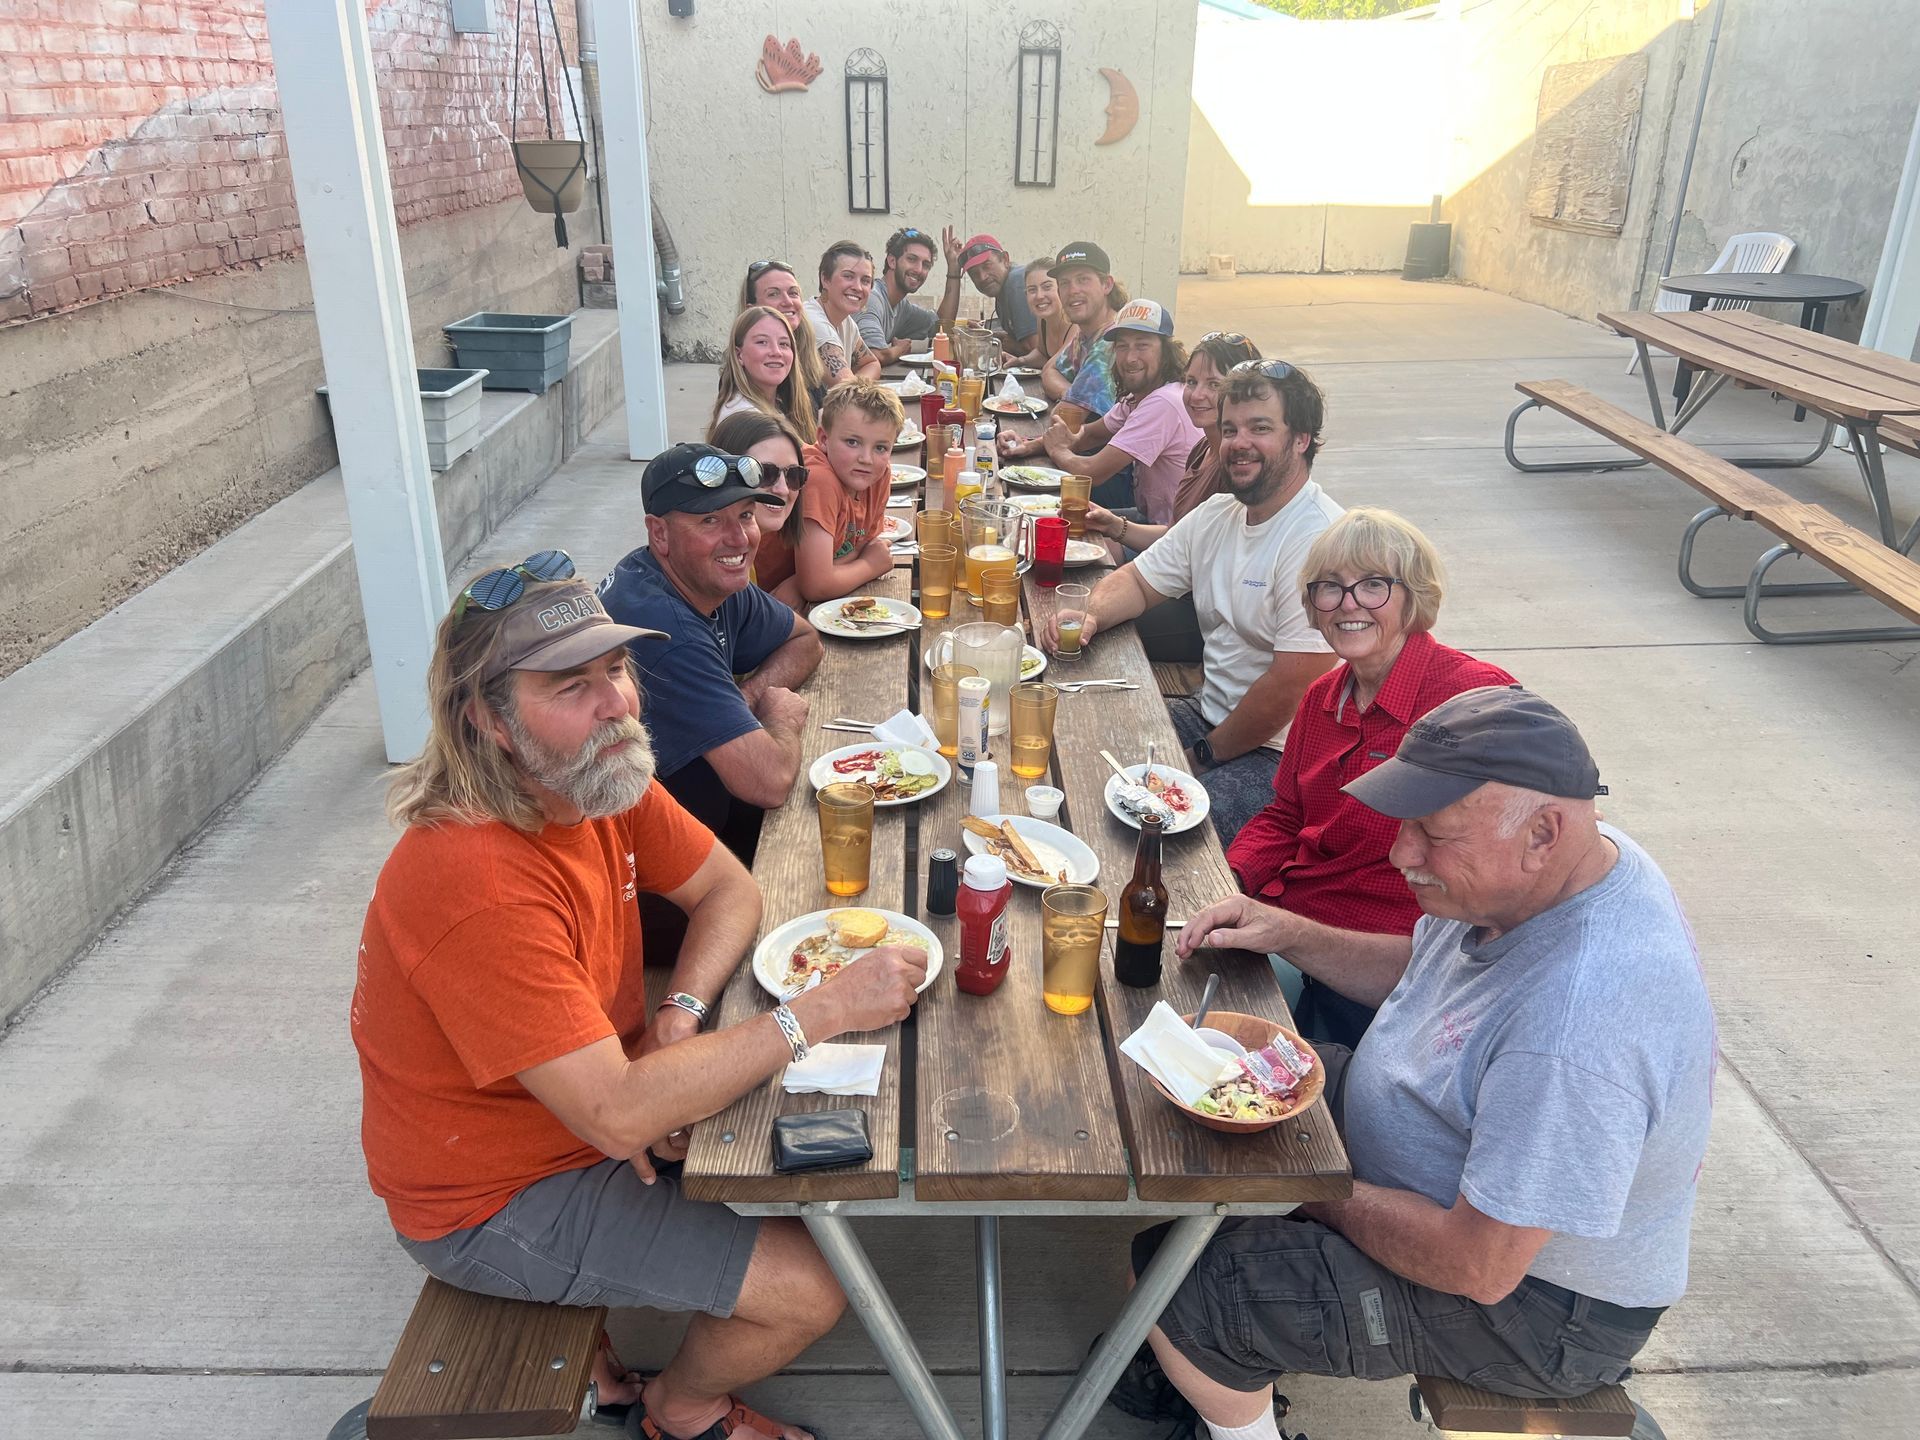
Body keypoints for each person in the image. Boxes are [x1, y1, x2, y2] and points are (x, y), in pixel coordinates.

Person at [353, 564, 930, 1440]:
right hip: (493, 1197)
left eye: (616, 670)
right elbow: (620, 1117)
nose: (616, 703)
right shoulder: (473, 875)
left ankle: (615, 1363)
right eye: (571, 686)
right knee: (807, 1292)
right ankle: (684, 1409)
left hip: (586, 1105)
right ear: (488, 720)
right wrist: (818, 1012)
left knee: (781, 1147)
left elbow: (731, 891)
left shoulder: (590, 779)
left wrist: (680, 1016)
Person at [1123, 685, 1710, 1440]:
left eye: (1434, 835)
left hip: (1534, 1310)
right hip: (1442, 1167)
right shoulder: (1568, 864)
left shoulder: (1579, 1026)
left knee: (1182, 1289)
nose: (1403, 854)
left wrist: (1303, 1179)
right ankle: (1207, 1361)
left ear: (1543, 831)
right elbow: (1437, 977)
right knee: (1206, 1089)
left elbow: (1479, 1266)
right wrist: (1291, 933)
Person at [1226, 508, 1516, 1047]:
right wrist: (1231, 883)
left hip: (1381, 967)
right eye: (1329, 588)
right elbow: (1286, 814)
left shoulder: (1472, 703)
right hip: (1287, 917)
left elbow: (1501, 871)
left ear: (1414, 596)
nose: (1348, 603)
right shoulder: (1322, 698)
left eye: (1372, 585)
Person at [1038, 359, 1341, 841]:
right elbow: (1138, 580)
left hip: (1277, 755)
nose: (1239, 443)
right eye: (1230, 429)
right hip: (1207, 714)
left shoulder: (1322, 540)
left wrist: (1200, 756)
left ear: (1301, 438)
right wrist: (1091, 615)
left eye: (1260, 428)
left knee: (1155, 835)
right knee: (1073, 740)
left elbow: (1290, 688)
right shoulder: (1220, 512)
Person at [598, 444, 823, 856]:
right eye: (710, 520)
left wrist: (749, 695)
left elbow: (805, 641)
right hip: (662, 874)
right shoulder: (665, 631)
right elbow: (767, 781)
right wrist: (781, 719)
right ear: (659, 533)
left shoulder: (705, 577)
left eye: (746, 515)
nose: (739, 538)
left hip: (707, 826)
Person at [1082, 330, 1263, 664]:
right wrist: (1115, 526)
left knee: (1102, 633)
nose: (1197, 395)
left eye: (1214, 384)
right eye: (1191, 382)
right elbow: (1178, 536)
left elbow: (1191, 561)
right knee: (1084, 583)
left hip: (1198, 612)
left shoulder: (1238, 471)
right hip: (1173, 580)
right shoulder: (1203, 448)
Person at [1000, 299, 1199, 527]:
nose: (1130, 357)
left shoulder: (1164, 402)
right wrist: (1027, 445)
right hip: (1152, 519)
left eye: (1142, 345)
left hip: (1173, 539)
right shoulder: (1139, 396)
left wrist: (1057, 451)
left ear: (1166, 351)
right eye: (1122, 346)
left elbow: (1092, 473)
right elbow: (1091, 434)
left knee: (1052, 535)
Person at [793, 380, 902, 602]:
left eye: (880, 447)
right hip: (761, 599)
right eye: (852, 442)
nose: (866, 459)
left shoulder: (878, 475)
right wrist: (870, 566)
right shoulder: (819, 480)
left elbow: (863, 545)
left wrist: (798, 581)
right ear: (823, 439)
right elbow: (816, 586)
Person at [711, 409, 810, 607]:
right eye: (763, 473)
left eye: (793, 475)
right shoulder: (718, 559)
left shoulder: (757, 543)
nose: (782, 489)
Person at [1042, 240, 1126, 426]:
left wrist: (1073, 400)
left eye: (1083, 280)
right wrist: (1072, 393)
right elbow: (1049, 371)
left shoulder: (1112, 340)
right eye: (1064, 283)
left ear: (1107, 284)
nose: (1073, 290)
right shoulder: (1087, 334)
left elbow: (1061, 422)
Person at [709, 305, 817, 443]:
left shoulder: (781, 403)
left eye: (784, 344)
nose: (776, 352)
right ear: (739, 355)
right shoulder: (745, 418)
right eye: (762, 342)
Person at [859, 225, 964, 364]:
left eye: (926, 265)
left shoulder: (901, 307)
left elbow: (942, 326)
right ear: (892, 261)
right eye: (912, 259)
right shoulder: (872, 298)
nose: (919, 270)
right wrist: (898, 350)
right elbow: (873, 356)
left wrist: (954, 268)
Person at [739, 259, 828, 413]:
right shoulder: (751, 365)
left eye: (793, 293)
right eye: (773, 294)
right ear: (751, 309)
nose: (788, 301)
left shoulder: (806, 353)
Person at [804, 241, 882, 387]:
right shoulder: (814, 322)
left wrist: (857, 386)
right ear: (825, 279)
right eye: (848, 276)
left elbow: (872, 363)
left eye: (865, 280)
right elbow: (846, 388)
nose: (858, 287)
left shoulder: (846, 321)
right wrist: (856, 387)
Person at [956, 233, 1039, 355]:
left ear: (1005, 259)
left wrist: (996, 342)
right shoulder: (1001, 294)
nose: (982, 277)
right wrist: (984, 335)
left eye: (987, 266)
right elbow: (1016, 340)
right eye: (974, 273)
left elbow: (1034, 348)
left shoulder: (1016, 283)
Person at [1016, 255, 1072, 371]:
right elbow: (1042, 354)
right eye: (1032, 290)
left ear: (1061, 288)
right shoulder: (1042, 320)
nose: (1039, 296)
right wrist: (1020, 361)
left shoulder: (1075, 323)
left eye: (1047, 287)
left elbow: (1055, 366)